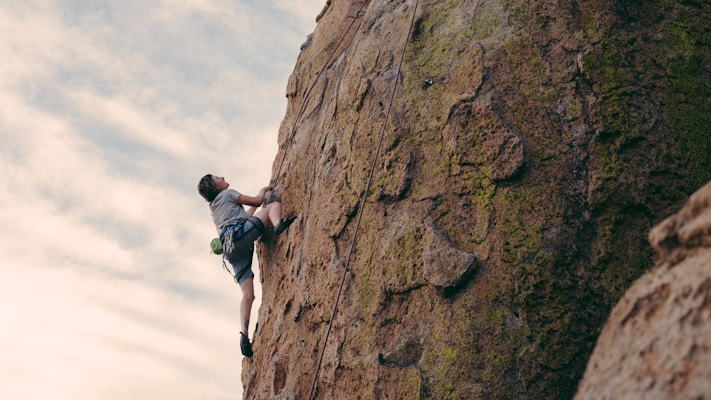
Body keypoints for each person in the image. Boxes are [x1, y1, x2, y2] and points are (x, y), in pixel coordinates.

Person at [198, 174, 296, 357]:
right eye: (218, 178)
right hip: (239, 237)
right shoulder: (228, 194)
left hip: (230, 248)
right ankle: (279, 225)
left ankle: (244, 334)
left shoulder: (215, 206)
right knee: (273, 206)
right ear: (215, 186)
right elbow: (259, 202)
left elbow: (245, 219)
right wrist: (263, 191)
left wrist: (256, 209)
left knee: (248, 294)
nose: (222, 177)